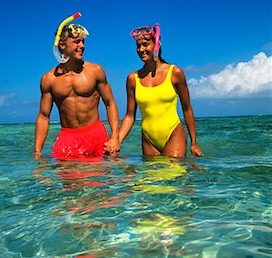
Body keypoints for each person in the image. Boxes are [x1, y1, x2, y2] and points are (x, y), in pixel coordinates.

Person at [34, 22, 120, 158]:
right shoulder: (49, 79)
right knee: (69, 179)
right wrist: (37, 152)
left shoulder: (95, 71)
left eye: (83, 41)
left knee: (100, 178)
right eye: (76, 42)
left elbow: (110, 103)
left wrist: (115, 137)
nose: (82, 46)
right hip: (68, 138)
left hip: (96, 136)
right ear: (62, 45)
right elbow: (44, 116)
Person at [119, 24, 203, 158]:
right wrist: (116, 141)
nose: (141, 49)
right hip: (148, 139)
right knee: (151, 178)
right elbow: (130, 116)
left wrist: (194, 143)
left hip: (173, 133)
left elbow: (187, 109)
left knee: (173, 174)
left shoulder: (175, 73)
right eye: (138, 46)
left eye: (145, 44)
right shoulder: (132, 79)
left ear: (157, 44)